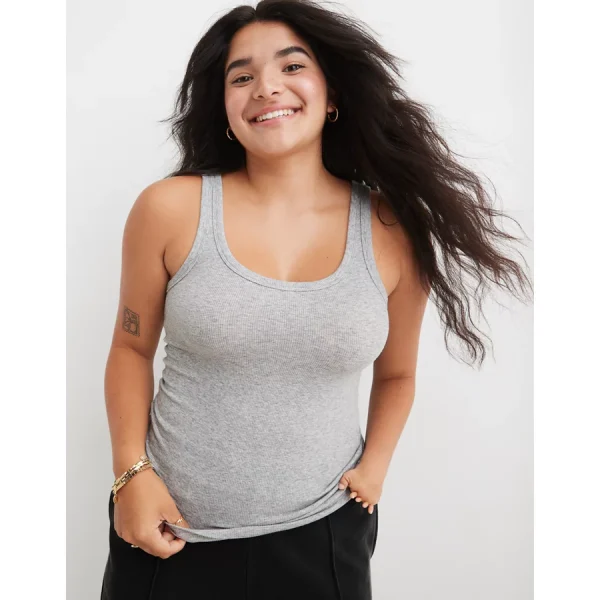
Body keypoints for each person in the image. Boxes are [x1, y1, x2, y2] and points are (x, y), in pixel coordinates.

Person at [100, 0, 532, 598]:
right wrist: (130, 474)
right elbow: (130, 348)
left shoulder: (391, 229)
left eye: (292, 66)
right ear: (224, 108)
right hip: (167, 530)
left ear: (331, 95)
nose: (265, 87)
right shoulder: (169, 209)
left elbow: (398, 374)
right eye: (241, 77)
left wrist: (373, 472)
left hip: (323, 534)